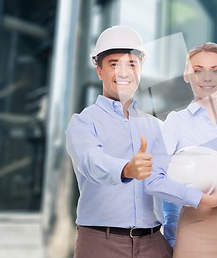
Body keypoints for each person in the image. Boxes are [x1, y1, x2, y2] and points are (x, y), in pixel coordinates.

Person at [145, 42, 217, 258]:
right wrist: (200, 199)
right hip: (196, 225)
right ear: (187, 75)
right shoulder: (176, 122)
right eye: (198, 70)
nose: (207, 78)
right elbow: (152, 179)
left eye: (215, 70)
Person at [65, 25, 172, 258]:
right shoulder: (83, 122)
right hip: (101, 244)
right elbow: (91, 161)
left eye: (131, 64)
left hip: (153, 243)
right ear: (99, 71)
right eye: (114, 64)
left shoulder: (155, 126)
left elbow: (172, 180)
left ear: (140, 70)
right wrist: (126, 168)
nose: (123, 73)